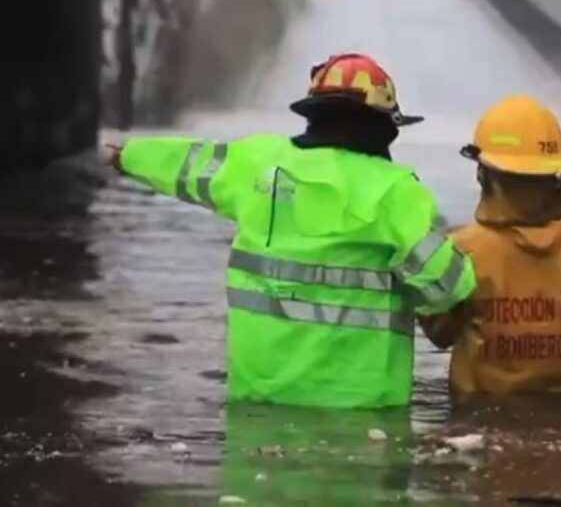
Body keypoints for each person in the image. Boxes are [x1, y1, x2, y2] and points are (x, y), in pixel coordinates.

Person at [108, 53, 476, 408]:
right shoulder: (396, 192)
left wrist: (130, 156)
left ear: (314, 115)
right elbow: (447, 287)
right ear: (382, 126)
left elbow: (190, 164)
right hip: (362, 406)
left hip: (257, 399)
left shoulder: (257, 163)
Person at [420, 95, 561, 398]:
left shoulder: (464, 249)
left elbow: (439, 332)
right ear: (559, 177)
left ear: (485, 175)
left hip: (482, 421)